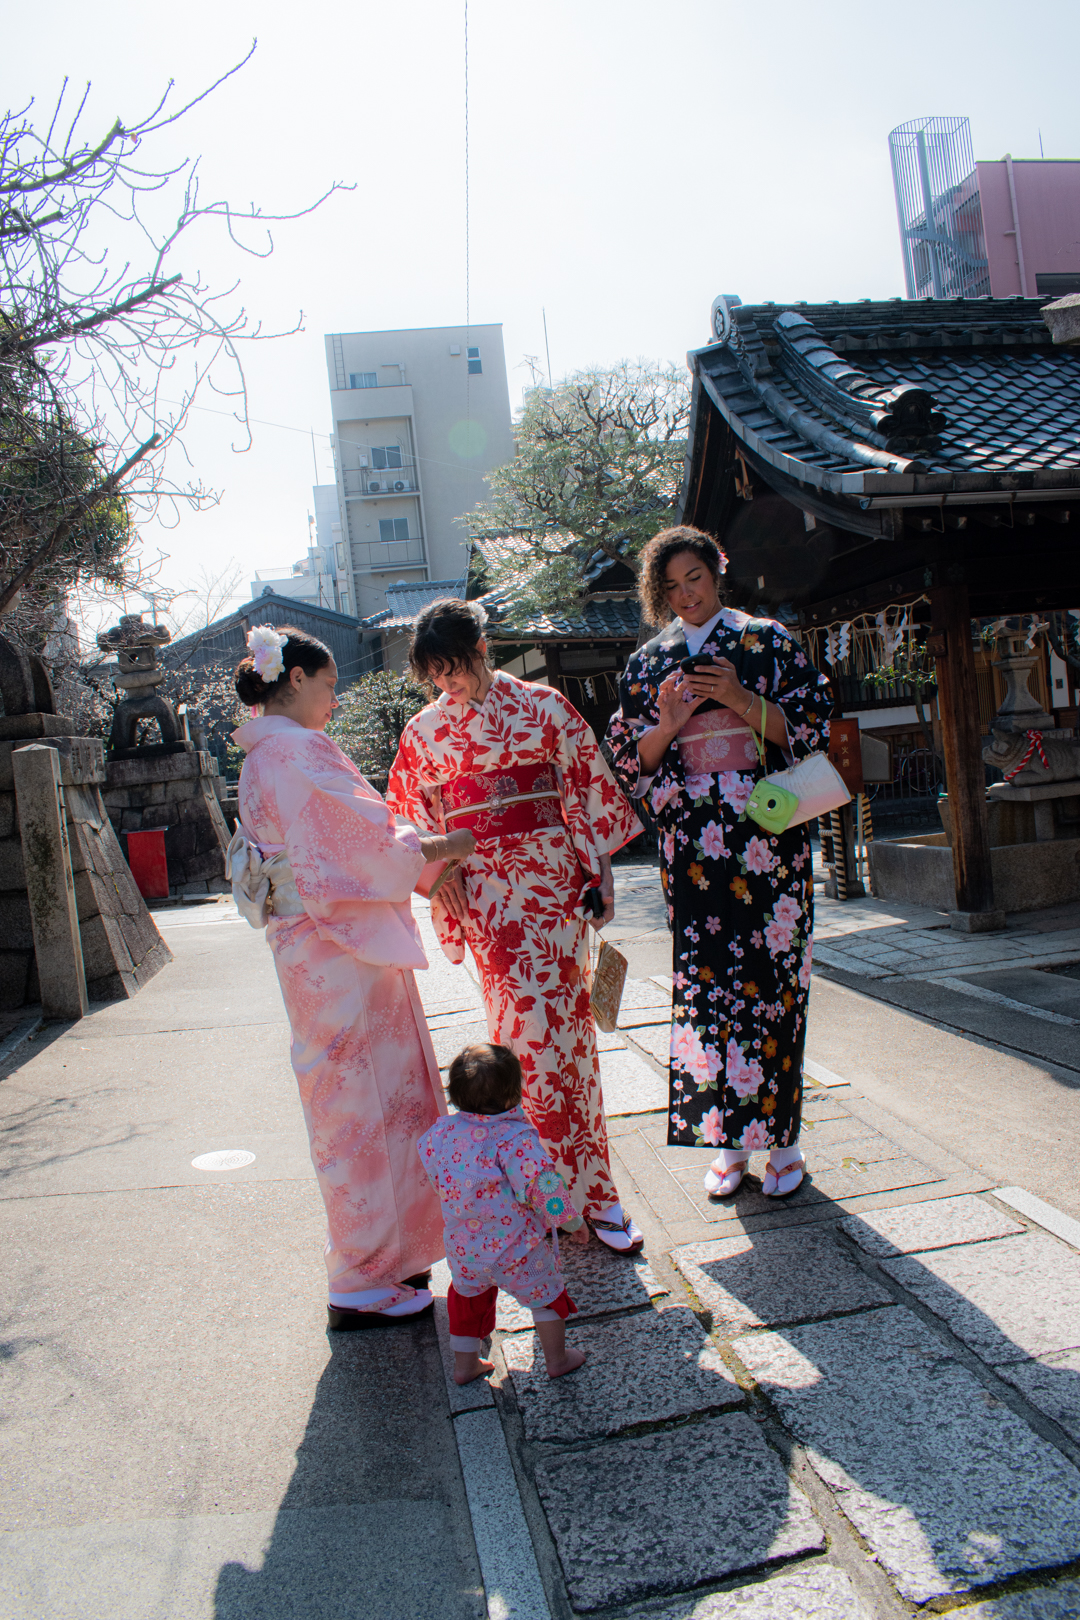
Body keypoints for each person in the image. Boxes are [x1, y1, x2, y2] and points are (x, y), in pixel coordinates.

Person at [229, 624, 475, 1328]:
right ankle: (363, 1275)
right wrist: (440, 847)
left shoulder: (262, 755)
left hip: (311, 947)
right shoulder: (297, 750)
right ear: (297, 679)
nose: (334, 699)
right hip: (337, 946)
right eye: (331, 685)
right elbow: (363, 842)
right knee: (361, 1108)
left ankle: (383, 1258)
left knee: (348, 1101)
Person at [386, 598, 644, 1252]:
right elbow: (404, 823)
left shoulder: (545, 706)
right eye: (436, 673)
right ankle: (545, 1198)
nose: (448, 683)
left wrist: (600, 873)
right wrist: (440, 879)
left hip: (553, 885)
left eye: (456, 667)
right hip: (488, 899)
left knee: (573, 1038)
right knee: (520, 1038)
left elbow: (585, 787)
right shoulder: (423, 732)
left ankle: (596, 1194)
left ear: (482, 649)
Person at [604, 528, 832, 1199]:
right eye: (671, 586)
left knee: (775, 984)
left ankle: (782, 1141)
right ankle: (726, 1142)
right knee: (707, 990)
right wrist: (668, 723)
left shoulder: (769, 642)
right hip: (694, 845)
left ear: (717, 572)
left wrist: (739, 699)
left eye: (695, 577)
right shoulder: (649, 663)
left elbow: (811, 731)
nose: (687, 594)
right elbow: (631, 763)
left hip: (767, 834)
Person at [419, 1043, 587, 1384]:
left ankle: (465, 1366)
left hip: (465, 1247)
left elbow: (431, 1165)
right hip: (519, 1250)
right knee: (547, 1297)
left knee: (467, 1302)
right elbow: (544, 1187)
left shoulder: (441, 1133)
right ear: (514, 1095)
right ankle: (557, 1359)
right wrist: (573, 1221)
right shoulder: (515, 1139)